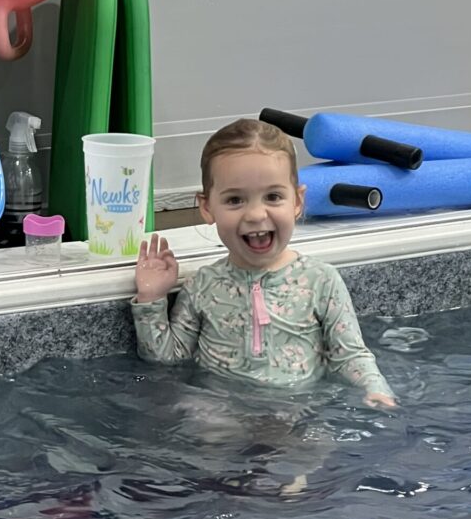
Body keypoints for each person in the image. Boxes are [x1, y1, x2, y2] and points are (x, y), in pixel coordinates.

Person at [132, 118, 397, 409]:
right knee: (207, 423)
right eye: (235, 200)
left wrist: (376, 388)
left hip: (298, 408)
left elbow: (350, 354)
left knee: (313, 444)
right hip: (222, 406)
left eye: (273, 196)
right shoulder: (203, 285)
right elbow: (169, 359)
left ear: (297, 202)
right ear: (207, 208)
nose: (256, 214)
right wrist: (151, 298)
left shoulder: (320, 280)